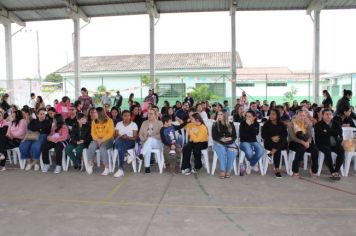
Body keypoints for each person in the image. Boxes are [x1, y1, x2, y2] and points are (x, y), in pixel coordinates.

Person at [315, 109, 344, 180]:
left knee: (341, 151)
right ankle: (332, 171)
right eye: (327, 114)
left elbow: (340, 132)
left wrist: (327, 131)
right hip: (322, 144)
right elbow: (320, 135)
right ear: (323, 115)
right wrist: (333, 132)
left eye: (330, 114)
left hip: (334, 144)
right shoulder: (318, 125)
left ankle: (336, 170)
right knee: (327, 152)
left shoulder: (336, 123)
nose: (329, 116)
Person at [288, 110, 319, 177]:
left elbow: (310, 136)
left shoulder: (307, 123)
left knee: (315, 150)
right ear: (296, 115)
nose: (302, 117)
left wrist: (309, 127)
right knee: (301, 149)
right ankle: (295, 170)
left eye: (304, 116)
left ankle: (313, 170)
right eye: (300, 115)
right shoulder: (291, 124)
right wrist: (303, 142)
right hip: (294, 142)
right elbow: (293, 137)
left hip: (306, 142)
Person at [86, 107, 114, 175]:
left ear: (100, 113)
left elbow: (110, 133)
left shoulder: (109, 120)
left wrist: (102, 140)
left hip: (108, 139)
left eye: (95, 112)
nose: (93, 114)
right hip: (97, 139)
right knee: (91, 145)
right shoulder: (94, 121)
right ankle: (90, 163)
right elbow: (93, 133)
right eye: (93, 112)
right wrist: (97, 139)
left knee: (102, 148)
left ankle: (106, 167)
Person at [261, 109, 288, 178]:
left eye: (273, 114)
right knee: (277, 149)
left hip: (280, 142)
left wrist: (278, 137)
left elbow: (285, 134)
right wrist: (272, 138)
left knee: (280, 142)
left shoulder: (281, 124)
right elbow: (263, 135)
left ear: (277, 115)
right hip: (270, 143)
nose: (271, 116)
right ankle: (277, 170)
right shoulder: (266, 124)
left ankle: (271, 153)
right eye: (270, 114)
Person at [212, 111, 237, 179]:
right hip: (219, 143)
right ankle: (223, 170)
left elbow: (234, 136)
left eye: (221, 114)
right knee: (221, 150)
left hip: (230, 142)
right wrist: (221, 139)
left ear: (225, 116)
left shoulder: (230, 124)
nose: (219, 116)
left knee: (232, 151)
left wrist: (230, 138)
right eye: (218, 114)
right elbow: (214, 137)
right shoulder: (215, 124)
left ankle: (228, 170)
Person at [113, 110, 138, 178]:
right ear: (122, 116)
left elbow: (135, 138)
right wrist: (122, 136)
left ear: (130, 116)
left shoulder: (134, 124)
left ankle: (121, 168)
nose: (127, 117)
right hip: (120, 141)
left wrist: (127, 137)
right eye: (125, 116)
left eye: (128, 116)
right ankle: (126, 156)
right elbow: (116, 135)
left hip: (130, 142)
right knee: (119, 141)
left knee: (119, 143)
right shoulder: (118, 124)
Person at [138, 109, 163, 173]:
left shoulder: (159, 123)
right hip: (145, 142)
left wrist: (151, 137)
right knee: (148, 147)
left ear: (155, 115)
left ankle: (142, 154)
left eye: (151, 114)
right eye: (148, 113)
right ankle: (147, 167)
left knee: (150, 139)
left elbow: (161, 135)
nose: (149, 115)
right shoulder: (144, 123)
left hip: (157, 142)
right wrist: (144, 139)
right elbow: (140, 134)